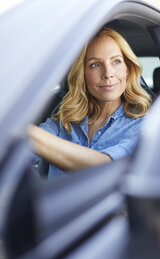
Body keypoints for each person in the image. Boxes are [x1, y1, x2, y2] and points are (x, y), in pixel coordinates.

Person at [29, 28, 152, 178]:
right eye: (95, 65)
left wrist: (26, 132)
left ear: (128, 69)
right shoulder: (65, 120)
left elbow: (105, 168)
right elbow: (22, 152)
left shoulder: (144, 126)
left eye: (116, 62)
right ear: (83, 75)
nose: (108, 73)